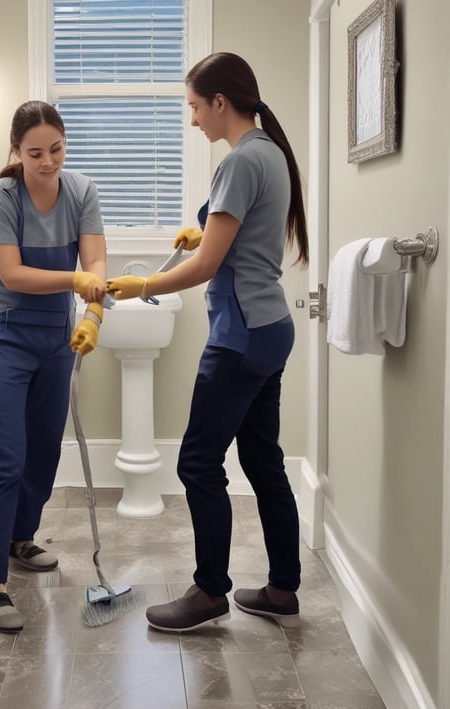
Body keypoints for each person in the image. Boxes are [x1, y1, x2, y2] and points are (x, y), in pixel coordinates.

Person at [106, 53, 309, 632]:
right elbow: (238, 239)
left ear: (221, 101)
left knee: (198, 461)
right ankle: (282, 589)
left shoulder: (241, 161)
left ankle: (209, 591)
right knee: (263, 460)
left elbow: (207, 266)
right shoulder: (267, 150)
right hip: (270, 330)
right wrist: (203, 227)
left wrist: (141, 283)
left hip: (240, 336)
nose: (193, 119)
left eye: (195, 106)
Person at [0, 100, 107, 633]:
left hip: (56, 338)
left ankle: (20, 539)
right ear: (16, 152)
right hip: (4, 334)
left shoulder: (81, 190)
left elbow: (95, 260)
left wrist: (93, 313)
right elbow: (12, 275)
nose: (48, 161)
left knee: (44, 448)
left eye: (56, 149)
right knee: (5, 457)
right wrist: (77, 283)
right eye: (35, 153)